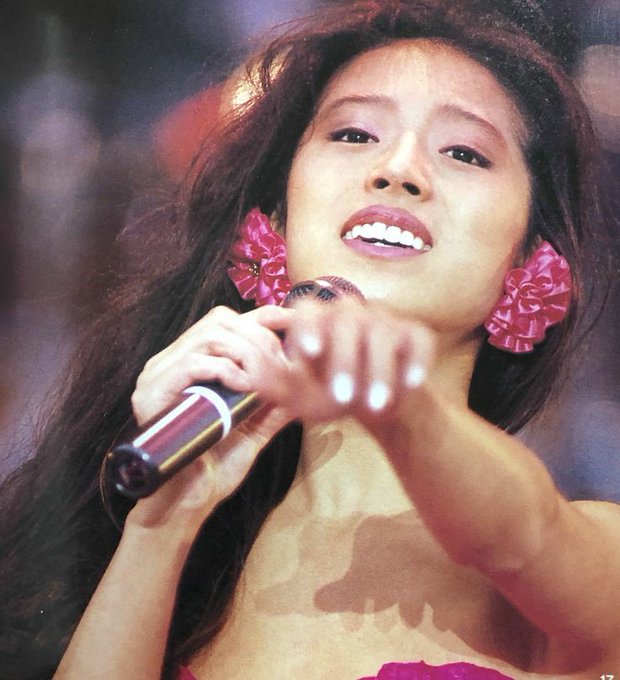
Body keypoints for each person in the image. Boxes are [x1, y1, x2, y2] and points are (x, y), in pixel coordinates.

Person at [1, 0, 618, 678]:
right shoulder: (185, 565)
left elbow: (524, 535)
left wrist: (402, 405)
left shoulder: (591, 554)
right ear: (274, 226)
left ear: (532, 263)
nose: (398, 169)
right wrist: (160, 525)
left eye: (464, 152)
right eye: (353, 134)